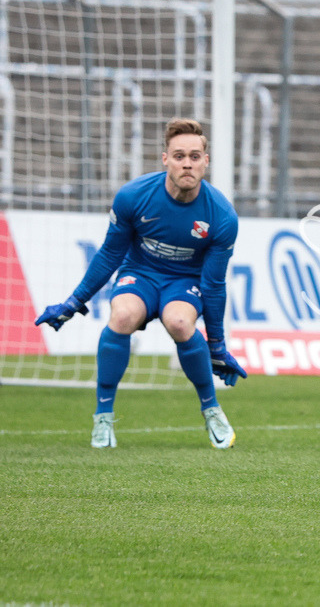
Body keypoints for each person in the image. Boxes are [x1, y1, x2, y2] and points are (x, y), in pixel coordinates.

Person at [34, 118, 247, 449]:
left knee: (179, 322)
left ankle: (211, 409)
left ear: (206, 161)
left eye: (194, 156)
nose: (187, 163)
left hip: (183, 282)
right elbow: (109, 256)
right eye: (179, 156)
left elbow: (214, 285)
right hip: (141, 274)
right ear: (165, 159)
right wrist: (74, 302)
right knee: (121, 316)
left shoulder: (221, 217)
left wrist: (217, 345)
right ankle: (103, 418)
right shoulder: (133, 196)